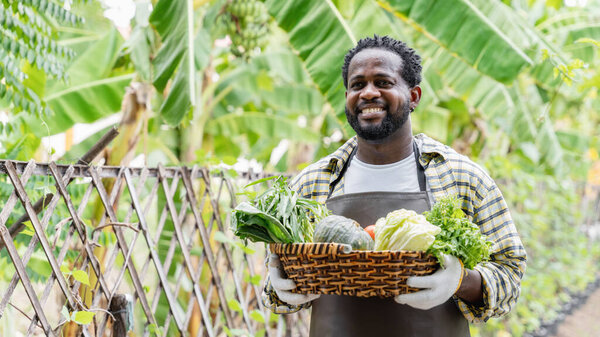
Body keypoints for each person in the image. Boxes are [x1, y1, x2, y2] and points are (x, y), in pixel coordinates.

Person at [262, 35, 526, 337]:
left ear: (414, 96)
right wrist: (280, 285)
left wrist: (459, 281)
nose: (368, 93)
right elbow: (276, 288)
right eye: (357, 84)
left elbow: (510, 271)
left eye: (383, 82)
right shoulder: (313, 183)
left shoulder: (462, 176)